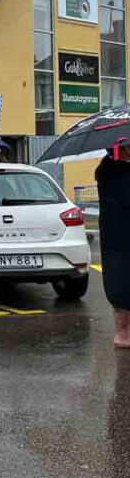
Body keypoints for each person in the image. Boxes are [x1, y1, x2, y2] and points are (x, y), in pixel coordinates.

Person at [97, 144, 130, 347]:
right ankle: (123, 335)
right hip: (121, 237)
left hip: (114, 237)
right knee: (123, 285)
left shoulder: (107, 169)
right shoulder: (118, 172)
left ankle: (123, 334)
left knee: (120, 284)